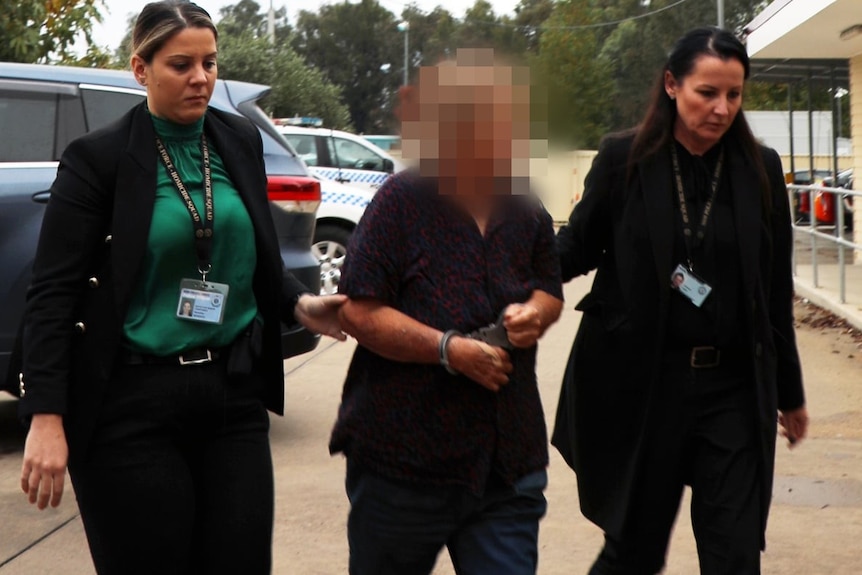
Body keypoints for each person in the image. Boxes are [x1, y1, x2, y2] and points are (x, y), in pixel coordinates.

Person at [17, 2, 344, 573]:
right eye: (181, 64)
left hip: (231, 397)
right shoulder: (100, 159)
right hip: (130, 405)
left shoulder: (237, 140)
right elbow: (52, 292)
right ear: (140, 70)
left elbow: (257, 256)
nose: (200, 78)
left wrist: (300, 302)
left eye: (210, 63)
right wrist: (47, 416)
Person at [552, 27, 808, 575]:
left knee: (735, 555)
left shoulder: (759, 170)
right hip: (647, 385)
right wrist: (509, 275)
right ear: (672, 84)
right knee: (634, 553)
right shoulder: (626, 159)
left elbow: (774, 292)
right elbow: (575, 247)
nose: (721, 109)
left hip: (733, 392)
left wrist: (789, 392)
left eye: (734, 96)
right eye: (706, 93)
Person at [330, 49, 564, 575]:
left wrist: (535, 313)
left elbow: (549, 288)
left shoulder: (524, 208)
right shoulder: (399, 203)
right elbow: (358, 311)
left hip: (508, 464)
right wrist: (448, 350)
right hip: (404, 464)